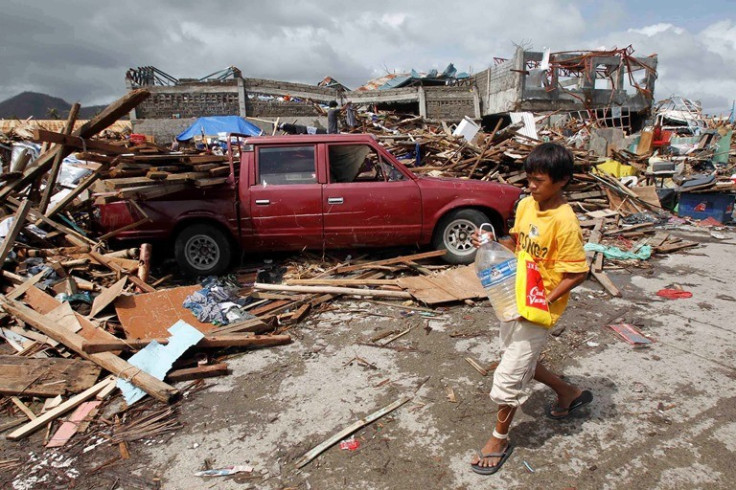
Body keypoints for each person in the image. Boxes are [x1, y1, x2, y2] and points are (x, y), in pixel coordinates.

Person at [469, 142, 592, 476]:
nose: (532, 186)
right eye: (530, 179)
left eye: (539, 180)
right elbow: (517, 244)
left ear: (562, 180)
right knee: (518, 357)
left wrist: (544, 300)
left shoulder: (564, 221)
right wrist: (491, 242)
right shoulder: (526, 205)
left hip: (539, 308)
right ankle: (569, 393)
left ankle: (499, 440)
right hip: (515, 297)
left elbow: (578, 272)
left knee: (509, 376)